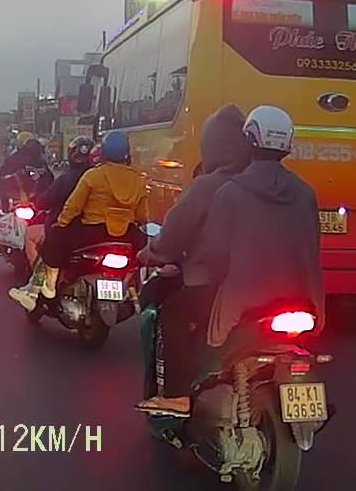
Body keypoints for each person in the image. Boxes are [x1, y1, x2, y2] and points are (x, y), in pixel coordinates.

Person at [140, 105, 324, 417]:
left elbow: (215, 256)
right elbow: (312, 244)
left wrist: (185, 265)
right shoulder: (305, 192)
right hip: (301, 295)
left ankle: (177, 396)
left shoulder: (230, 191)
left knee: (174, 313)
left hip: (240, 295)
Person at [134, 105, 251, 416]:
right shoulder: (265, 183)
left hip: (216, 287)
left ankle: (176, 395)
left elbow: (174, 234)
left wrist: (152, 254)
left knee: (173, 312)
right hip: (274, 286)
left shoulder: (208, 186)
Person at [38, 130, 148, 270]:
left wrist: (61, 224)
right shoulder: (138, 180)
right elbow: (142, 216)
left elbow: (73, 207)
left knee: (55, 241)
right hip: (127, 235)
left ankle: (53, 281)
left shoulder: (92, 175)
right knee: (141, 259)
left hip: (92, 234)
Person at [7, 136, 95, 309]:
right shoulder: (104, 178)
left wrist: (40, 206)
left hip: (68, 230)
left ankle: (37, 288)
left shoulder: (71, 178)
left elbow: (49, 200)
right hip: (100, 232)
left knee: (39, 240)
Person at [0, 132, 53, 211]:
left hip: (34, 200)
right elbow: (2, 179)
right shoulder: (13, 159)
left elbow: (48, 178)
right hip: (18, 198)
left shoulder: (40, 161)